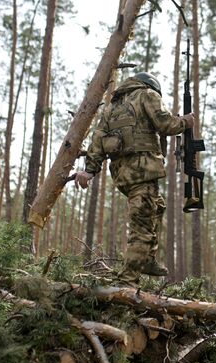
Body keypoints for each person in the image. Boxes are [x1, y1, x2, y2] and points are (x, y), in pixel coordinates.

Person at [75, 72, 193, 285]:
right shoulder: (147, 95)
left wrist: (90, 170)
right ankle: (127, 282)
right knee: (142, 229)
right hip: (144, 173)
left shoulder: (112, 108)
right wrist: (185, 121)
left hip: (124, 176)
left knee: (156, 206)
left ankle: (147, 259)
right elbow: (166, 125)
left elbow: (97, 140)